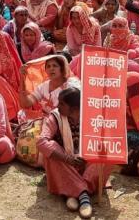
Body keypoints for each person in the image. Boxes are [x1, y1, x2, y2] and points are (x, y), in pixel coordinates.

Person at [37, 87, 97, 219]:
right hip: (64, 165)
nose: (57, 106)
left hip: (85, 166)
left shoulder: (92, 116)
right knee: (51, 147)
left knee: (104, 152)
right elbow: (41, 142)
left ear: (75, 108)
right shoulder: (54, 117)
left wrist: (87, 156)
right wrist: (67, 159)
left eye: (62, 104)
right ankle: (83, 195)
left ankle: (70, 192)